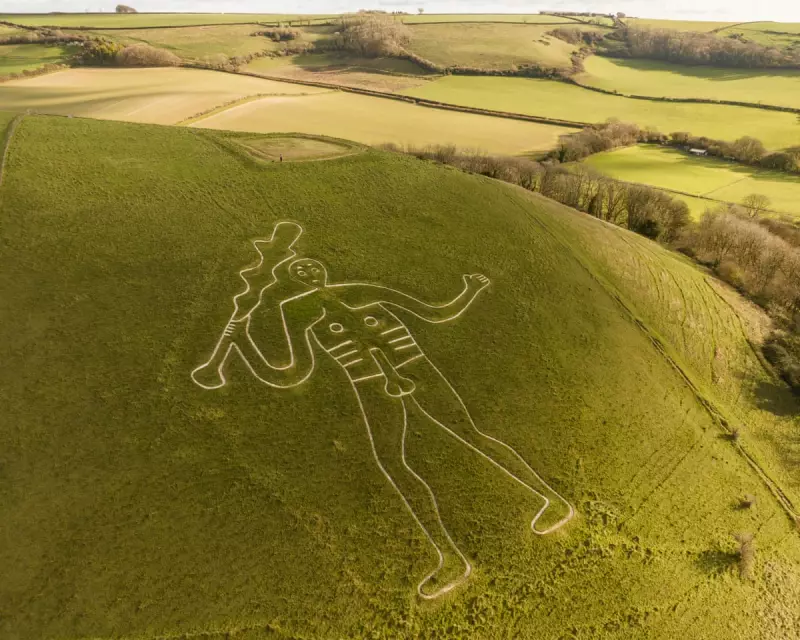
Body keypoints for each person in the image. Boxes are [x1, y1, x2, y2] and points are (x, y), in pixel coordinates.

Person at [192, 223, 574, 598]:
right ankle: (450, 560)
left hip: (414, 367)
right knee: (393, 462)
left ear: (321, 268)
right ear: (293, 279)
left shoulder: (362, 290)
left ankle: (550, 500)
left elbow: (433, 313)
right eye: (299, 271)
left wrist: (469, 291)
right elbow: (292, 372)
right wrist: (241, 341)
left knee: (472, 435)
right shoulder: (298, 312)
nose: (308, 272)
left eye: (310, 266)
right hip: (369, 385)